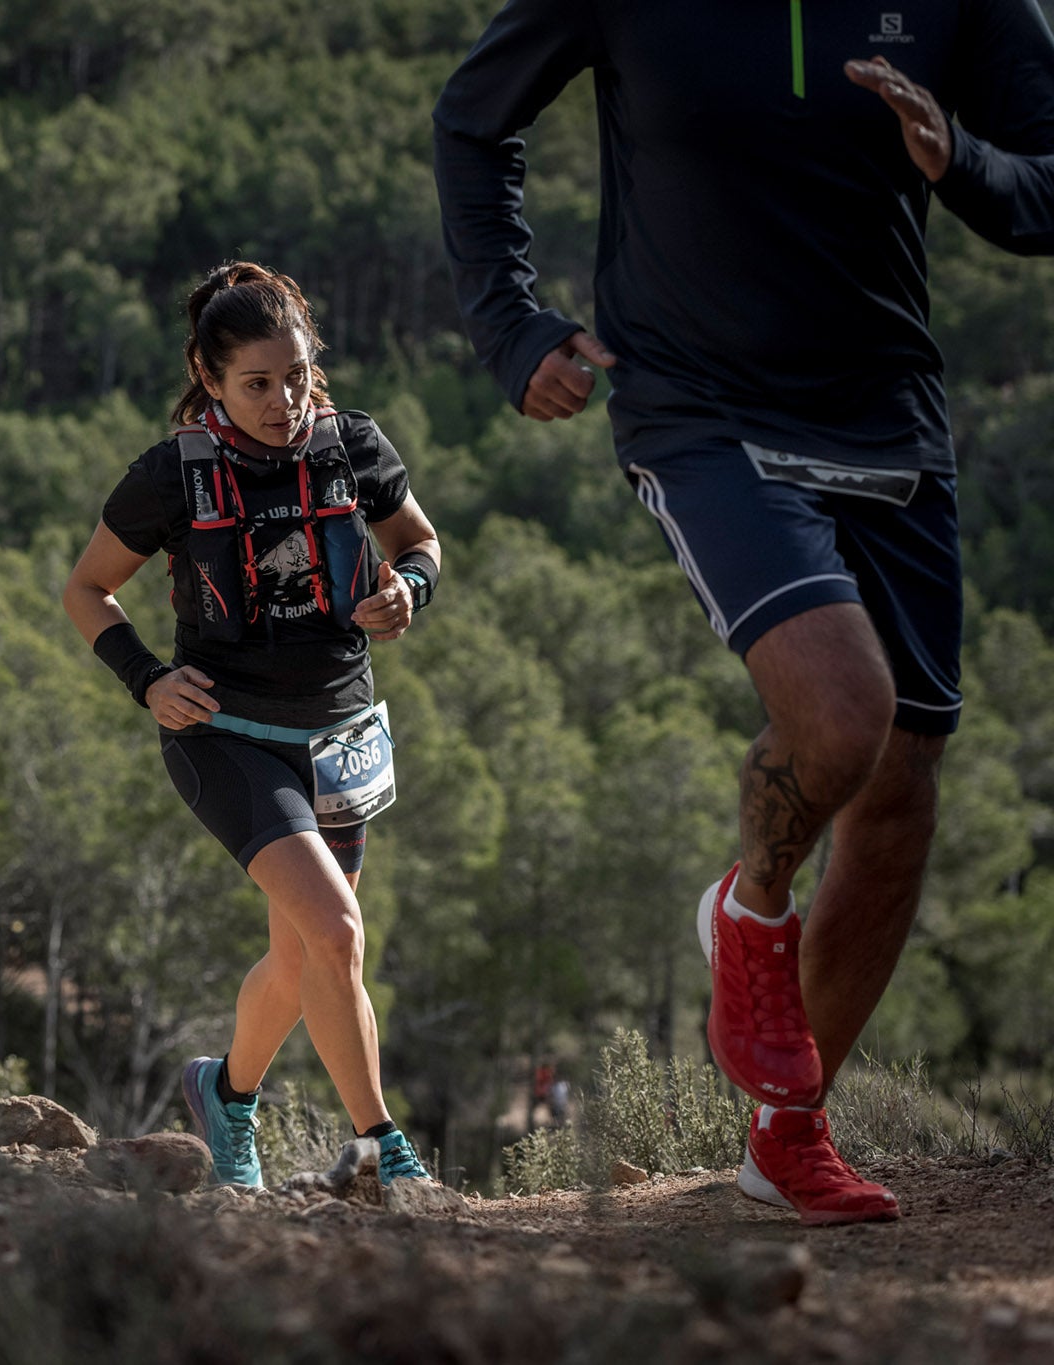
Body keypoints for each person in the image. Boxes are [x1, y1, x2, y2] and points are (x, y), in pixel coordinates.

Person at [433, 0, 1054, 1225]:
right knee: (839, 719)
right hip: (700, 406)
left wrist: (958, 161)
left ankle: (783, 1138)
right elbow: (471, 119)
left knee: (900, 789)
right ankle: (748, 902)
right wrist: (510, 324)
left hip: (885, 419)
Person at [63, 262, 461, 1210]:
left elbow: (423, 541)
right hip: (225, 732)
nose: (283, 401)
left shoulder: (352, 445)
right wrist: (147, 680)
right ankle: (381, 1146)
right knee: (336, 930)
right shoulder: (171, 475)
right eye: (256, 383)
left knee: (303, 955)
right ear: (209, 376)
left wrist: (412, 591)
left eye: (296, 377)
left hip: (341, 737)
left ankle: (225, 1092)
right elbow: (86, 590)